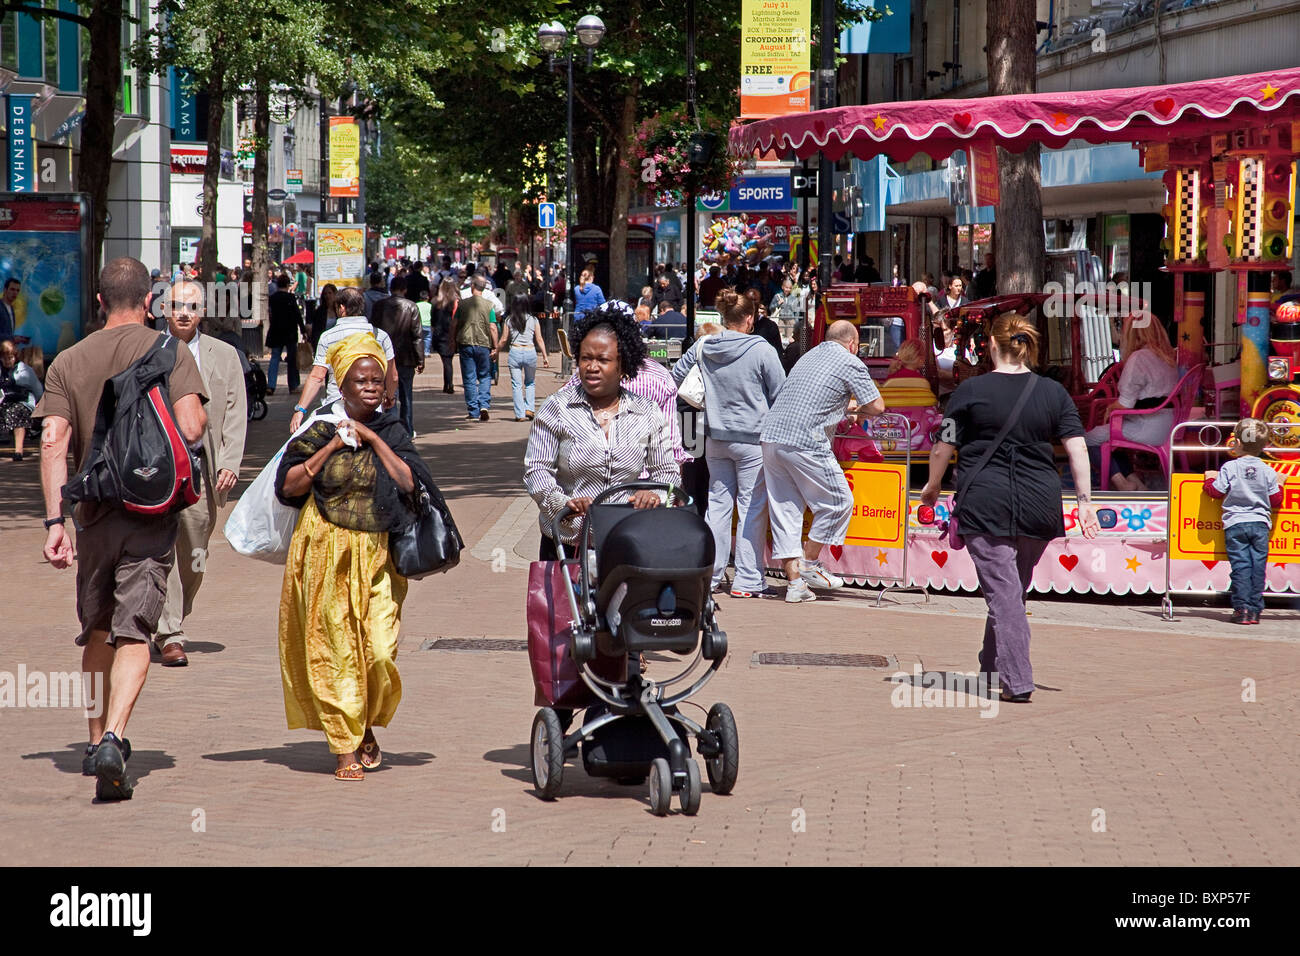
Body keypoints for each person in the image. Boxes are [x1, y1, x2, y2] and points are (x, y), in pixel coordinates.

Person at [35, 257, 208, 800]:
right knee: (136, 628)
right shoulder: (170, 351)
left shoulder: (68, 360)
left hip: (94, 514)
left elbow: (51, 442)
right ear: (150, 300)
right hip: (152, 512)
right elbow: (192, 426)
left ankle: (91, 743)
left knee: (97, 628)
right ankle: (115, 734)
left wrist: (54, 521)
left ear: (100, 299)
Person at [275, 334, 433, 780]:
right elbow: (289, 487)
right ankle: (345, 744)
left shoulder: (394, 429)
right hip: (324, 550)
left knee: (379, 650)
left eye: (377, 381)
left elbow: (408, 482)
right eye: (360, 380)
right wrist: (334, 445)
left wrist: (369, 437)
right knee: (335, 649)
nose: (370, 387)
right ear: (340, 386)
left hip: (378, 553)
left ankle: (364, 720)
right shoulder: (319, 430)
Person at [920, 314, 1099, 703]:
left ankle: (1017, 680)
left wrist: (933, 486)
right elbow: (1077, 449)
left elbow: (943, 447)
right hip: (1040, 503)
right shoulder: (1054, 393)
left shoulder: (969, 392)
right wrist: (1085, 503)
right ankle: (991, 665)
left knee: (1004, 594)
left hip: (986, 502)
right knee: (1010, 591)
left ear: (990, 345)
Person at [524, 310, 680, 559]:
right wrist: (560, 502)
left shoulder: (647, 412)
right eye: (585, 358)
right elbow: (536, 470)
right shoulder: (556, 407)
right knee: (568, 600)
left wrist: (654, 495)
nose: (592, 367)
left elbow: (668, 472)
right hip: (567, 545)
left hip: (627, 541)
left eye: (603, 360)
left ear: (623, 366)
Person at [153, 280, 248, 666]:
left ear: (203, 312)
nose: (183, 312)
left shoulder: (224, 354)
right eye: (176, 304)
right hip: (157, 468)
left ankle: (174, 613)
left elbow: (236, 410)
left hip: (201, 470)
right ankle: (169, 631)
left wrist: (229, 463)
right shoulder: (148, 350)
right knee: (161, 550)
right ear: (164, 308)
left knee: (194, 553)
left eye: (191, 306)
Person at [760, 320, 886, 603]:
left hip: (771, 436)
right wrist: (857, 408)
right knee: (839, 501)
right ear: (853, 344)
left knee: (786, 513)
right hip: (806, 439)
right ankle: (809, 563)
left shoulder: (809, 355)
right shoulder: (849, 361)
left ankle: (795, 587)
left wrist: (847, 407)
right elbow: (878, 406)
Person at [672, 289, 785, 597]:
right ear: (750, 318)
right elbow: (779, 393)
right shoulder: (761, 348)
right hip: (751, 439)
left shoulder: (705, 344)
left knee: (718, 506)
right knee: (751, 507)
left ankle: (711, 574)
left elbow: (676, 375)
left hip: (715, 436)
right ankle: (748, 580)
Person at [1084, 312, 1180, 491]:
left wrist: (1109, 409)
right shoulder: (1168, 358)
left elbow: (1125, 404)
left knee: (1086, 440)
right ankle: (1136, 483)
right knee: (1109, 438)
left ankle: (1123, 484)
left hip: (1146, 427)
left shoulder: (1139, 358)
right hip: (1168, 426)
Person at [1204, 419, 1282, 625]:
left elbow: (1216, 491)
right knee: (1258, 567)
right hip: (1260, 525)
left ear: (1237, 442)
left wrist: (1209, 479)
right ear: (1263, 445)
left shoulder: (1229, 467)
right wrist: (1281, 484)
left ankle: (1242, 609)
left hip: (1235, 525)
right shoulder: (1268, 471)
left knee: (1241, 567)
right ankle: (1255, 610)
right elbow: (1276, 500)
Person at [290, 287, 397, 433]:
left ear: (341, 308)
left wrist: (300, 409)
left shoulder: (328, 337)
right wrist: (390, 397)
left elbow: (317, 377)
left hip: (337, 408)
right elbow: (393, 375)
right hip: (371, 408)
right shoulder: (380, 336)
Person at [371, 275, 425, 437]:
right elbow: (417, 336)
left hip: (384, 357)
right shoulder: (412, 307)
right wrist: (420, 359)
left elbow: (372, 331)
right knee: (406, 395)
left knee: (388, 393)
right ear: (405, 289)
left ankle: (390, 430)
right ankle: (407, 430)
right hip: (406, 358)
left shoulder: (379, 306)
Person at [451, 274, 498, 421]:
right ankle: (484, 404)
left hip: (466, 343)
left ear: (472, 286)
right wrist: (495, 347)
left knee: (469, 378)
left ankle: (473, 411)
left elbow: (454, 324)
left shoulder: (463, 304)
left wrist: (452, 341)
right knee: (484, 376)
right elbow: (493, 327)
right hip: (484, 344)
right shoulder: (489, 305)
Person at [503, 295, 550, 420]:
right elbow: (539, 339)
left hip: (515, 351)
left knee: (516, 385)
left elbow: (503, 339)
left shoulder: (509, 320)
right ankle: (530, 409)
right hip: (530, 351)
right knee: (530, 382)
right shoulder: (533, 320)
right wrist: (545, 356)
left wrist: (496, 351)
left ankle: (519, 414)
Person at [0, 339, 43, 460]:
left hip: (22, 401)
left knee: (17, 411)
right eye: (5, 358)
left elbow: (37, 389)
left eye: (11, 357)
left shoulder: (25, 370)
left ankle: (18, 452)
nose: (8, 360)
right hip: (4, 402)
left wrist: (39, 403)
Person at [265, 273, 307, 395]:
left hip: (276, 331)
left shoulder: (272, 298)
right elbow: (297, 315)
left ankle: (271, 385)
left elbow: (270, 315)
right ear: (288, 285)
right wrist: (303, 330)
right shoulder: (290, 298)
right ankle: (293, 386)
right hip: (290, 332)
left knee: (274, 358)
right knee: (292, 360)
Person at [428, 279, 458, 394]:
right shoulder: (455, 302)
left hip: (439, 334)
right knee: (448, 361)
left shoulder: (436, 301)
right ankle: (448, 384)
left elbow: (433, 321)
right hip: (450, 333)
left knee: (446, 360)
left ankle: (448, 384)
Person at [310, 283, 339, 347]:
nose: (327, 296)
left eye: (330, 293)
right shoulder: (319, 312)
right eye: (325, 294)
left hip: (338, 343)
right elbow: (315, 331)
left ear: (335, 294)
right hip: (324, 344)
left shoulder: (340, 310)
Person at [0, 277, 19, 342]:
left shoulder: (11, 308)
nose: (15, 293)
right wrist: (12, 338)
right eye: (12, 289)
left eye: (17, 290)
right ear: (5, 290)